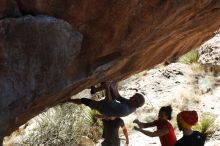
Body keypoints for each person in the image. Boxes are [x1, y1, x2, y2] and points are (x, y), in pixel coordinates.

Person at [63, 81, 145, 117]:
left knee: (84, 100)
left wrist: (107, 87)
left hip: (104, 108)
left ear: (135, 103)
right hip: (111, 105)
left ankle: (68, 100)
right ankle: (95, 90)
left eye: (132, 98)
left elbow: (109, 102)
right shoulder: (132, 104)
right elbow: (118, 97)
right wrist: (115, 85)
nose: (130, 97)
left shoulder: (125, 109)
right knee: (109, 86)